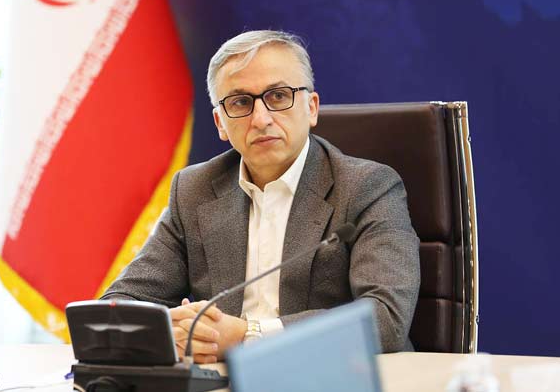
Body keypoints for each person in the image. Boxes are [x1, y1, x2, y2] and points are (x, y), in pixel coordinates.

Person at [102, 30, 420, 362]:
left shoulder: (366, 187)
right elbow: (119, 305)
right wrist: (171, 330)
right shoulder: (194, 190)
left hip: (332, 373)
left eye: (278, 96)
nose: (261, 119)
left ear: (311, 108)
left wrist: (247, 336)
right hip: (223, 379)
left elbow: (386, 319)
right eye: (240, 102)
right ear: (220, 123)